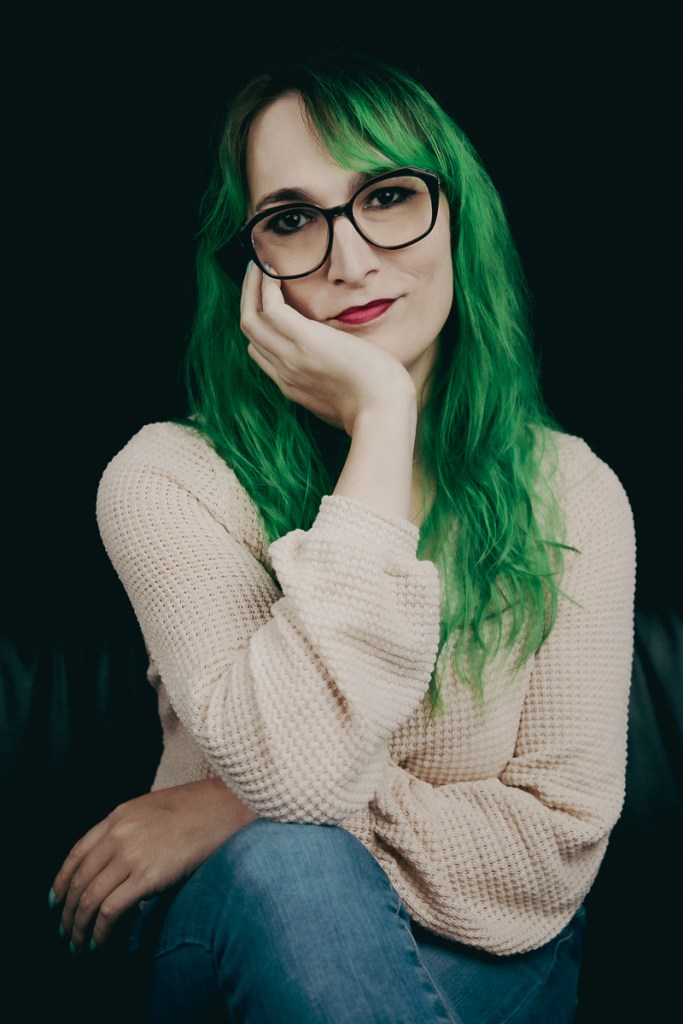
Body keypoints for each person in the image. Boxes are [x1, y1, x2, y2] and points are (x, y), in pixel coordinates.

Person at [49, 54, 636, 1023]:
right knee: (292, 864)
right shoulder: (169, 480)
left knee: (284, 838)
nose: (349, 259)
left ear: (459, 218)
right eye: (289, 220)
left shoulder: (571, 492)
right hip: (240, 932)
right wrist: (381, 420)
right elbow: (294, 776)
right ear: (247, 267)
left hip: (496, 956)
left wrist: (222, 805)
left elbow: (549, 850)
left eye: (389, 196)